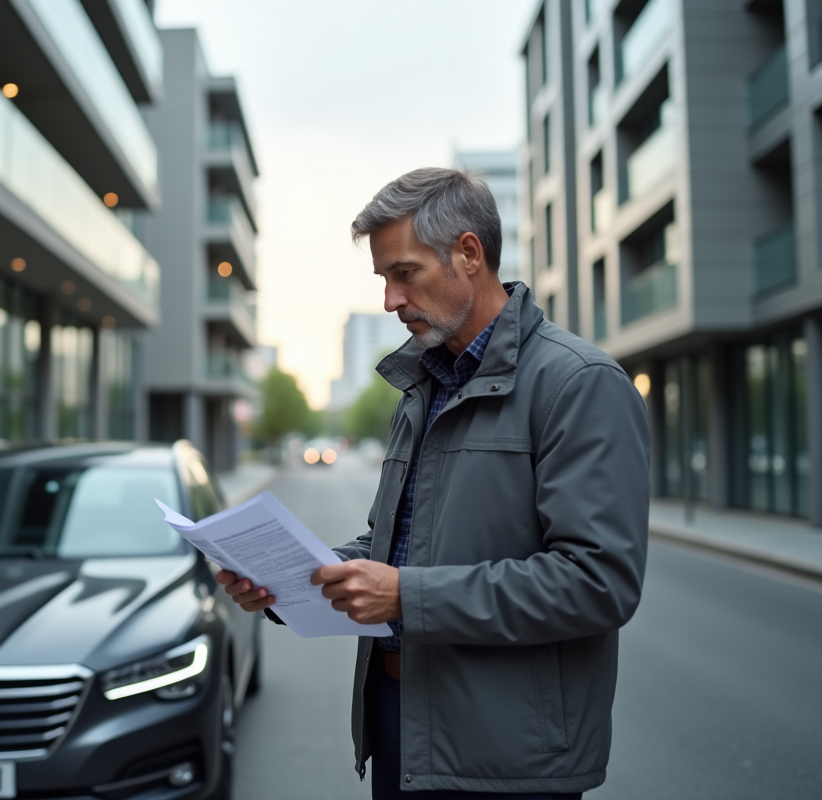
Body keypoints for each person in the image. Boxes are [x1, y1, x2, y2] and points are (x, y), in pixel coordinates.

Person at [216, 167, 650, 799]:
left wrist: (405, 597)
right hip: (404, 729)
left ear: (469, 254)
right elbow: (393, 546)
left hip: (509, 760)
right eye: (383, 279)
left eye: (405, 273)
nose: (390, 300)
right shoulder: (423, 386)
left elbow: (597, 584)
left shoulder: (579, 385)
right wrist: (287, 581)